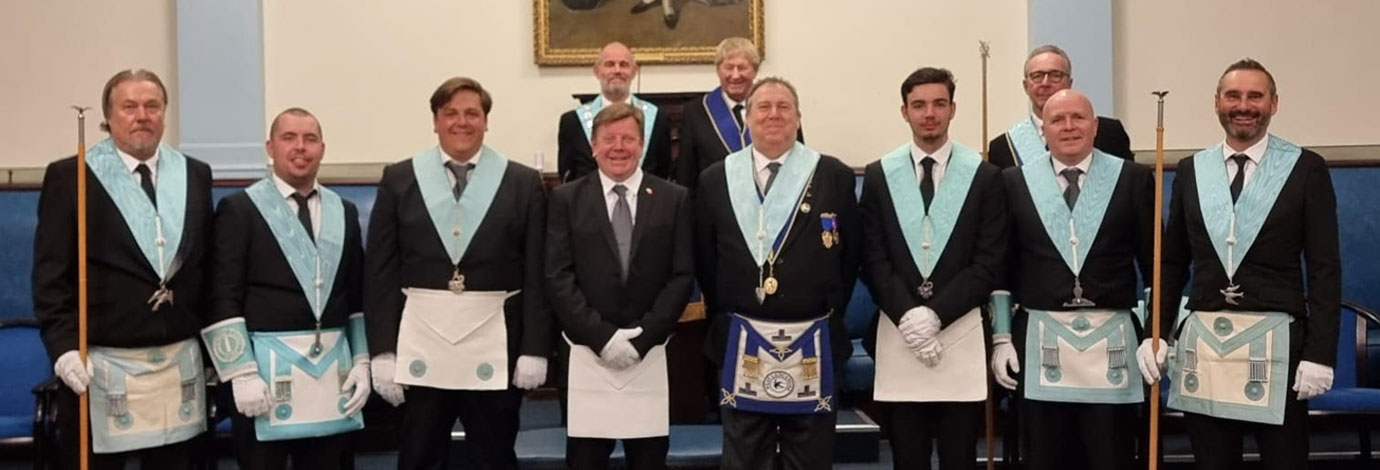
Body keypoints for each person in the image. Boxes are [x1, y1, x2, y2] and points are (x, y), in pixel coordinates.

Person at [1143, 58, 1339, 470]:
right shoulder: (1193, 170)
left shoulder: (1305, 169)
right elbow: (1173, 260)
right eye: (1233, 95)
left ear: (1274, 104)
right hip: (1206, 347)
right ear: (1217, 103)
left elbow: (1325, 267)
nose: (1244, 105)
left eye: (1255, 96)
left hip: (1279, 349)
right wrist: (1155, 332)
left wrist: (1320, 353)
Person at [364, 77, 552, 470]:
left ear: (486, 121)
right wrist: (382, 350)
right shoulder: (400, 180)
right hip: (421, 342)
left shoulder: (520, 182)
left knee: (494, 455)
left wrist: (534, 347)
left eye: (472, 113)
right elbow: (380, 272)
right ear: (435, 121)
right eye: (450, 113)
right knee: (419, 454)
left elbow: (537, 270)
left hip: (497, 342)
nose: (461, 122)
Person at [33, 68, 214, 469]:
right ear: (109, 117)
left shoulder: (195, 175)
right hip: (101, 369)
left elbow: (208, 271)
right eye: (129, 107)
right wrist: (63, 348)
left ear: (165, 114)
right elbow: (51, 279)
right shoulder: (71, 175)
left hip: (177, 367)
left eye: (152, 106)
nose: (142, 115)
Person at [695, 77, 860, 470]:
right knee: (744, 457)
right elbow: (705, 256)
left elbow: (850, 256)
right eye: (763, 107)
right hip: (742, 340)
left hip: (813, 340)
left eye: (784, 107)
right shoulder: (716, 178)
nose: (774, 115)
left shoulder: (831, 174)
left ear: (798, 117)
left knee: (812, 458)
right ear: (747, 118)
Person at [989, 89, 1154, 470]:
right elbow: (1000, 268)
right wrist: (1001, 338)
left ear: (1095, 126)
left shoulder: (1132, 179)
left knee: (1109, 455)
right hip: (1040, 340)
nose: (1069, 127)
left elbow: (1153, 264)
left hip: (1113, 343)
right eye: (1057, 120)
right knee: (1045, 457)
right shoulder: (1013, 183)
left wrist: (1155, 334)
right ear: (1043, 130)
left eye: (1078, 118)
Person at [201, 108, 369, 470]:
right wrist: (240, 373)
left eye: (310, 139)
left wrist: (362, 359)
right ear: (270, 147)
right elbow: (221, 294)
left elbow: (356, 294)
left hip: (331, 377)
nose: (300, 148)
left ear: (322, 148)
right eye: (289, 138)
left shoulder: (345, 211)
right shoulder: (241, 209)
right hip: (262, 378)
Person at [860, 67, 1006, 470]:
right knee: (908, 456)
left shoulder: (984, 176)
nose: (930, 113)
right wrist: (909, 315)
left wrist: (936, 315)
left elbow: (989, 260)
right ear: (904, 112)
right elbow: (872, 258)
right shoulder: (879, 175)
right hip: (899, 331)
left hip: (960, 331)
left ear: (953, 109)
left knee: (960, 456)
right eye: (919, 105)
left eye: (939, 104)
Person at [546, 102, 694, 470]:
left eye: (628, 138)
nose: (619, 147)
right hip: (586, 354)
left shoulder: (673, 199)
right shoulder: (566, 199)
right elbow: (557, 275)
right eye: (609, 139)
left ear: (642, 145)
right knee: (585, 461)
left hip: (649, 354)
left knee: (648, 461)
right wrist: (602, 337)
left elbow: (682, 275)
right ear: (593, 145)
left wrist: (642, 338)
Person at [675, 37, 804, 193]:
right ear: (718, 70)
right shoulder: (695, 112)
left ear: (755, 70)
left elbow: (799, 159)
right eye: (729, 67)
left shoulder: (780, 108)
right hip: (717, 207)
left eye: (742, 67)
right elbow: (686, 175)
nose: (735, 75)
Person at [987, 45, 1133, 168]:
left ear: (1069, 83)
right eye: (1037, 76)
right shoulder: (1004, 147)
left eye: (1055, 75)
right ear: (1026, 86)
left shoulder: (1109, 133)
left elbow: (1128, 187)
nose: (1045, 83)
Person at [558, 42, 672, 182]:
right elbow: (567, 176)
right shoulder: (572, 122)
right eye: (609, 64)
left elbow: (663, 171)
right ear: (597, 71)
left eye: (624, 65)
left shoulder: (658, 118)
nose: (617, 70)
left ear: (634, 71)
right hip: (589, 202)